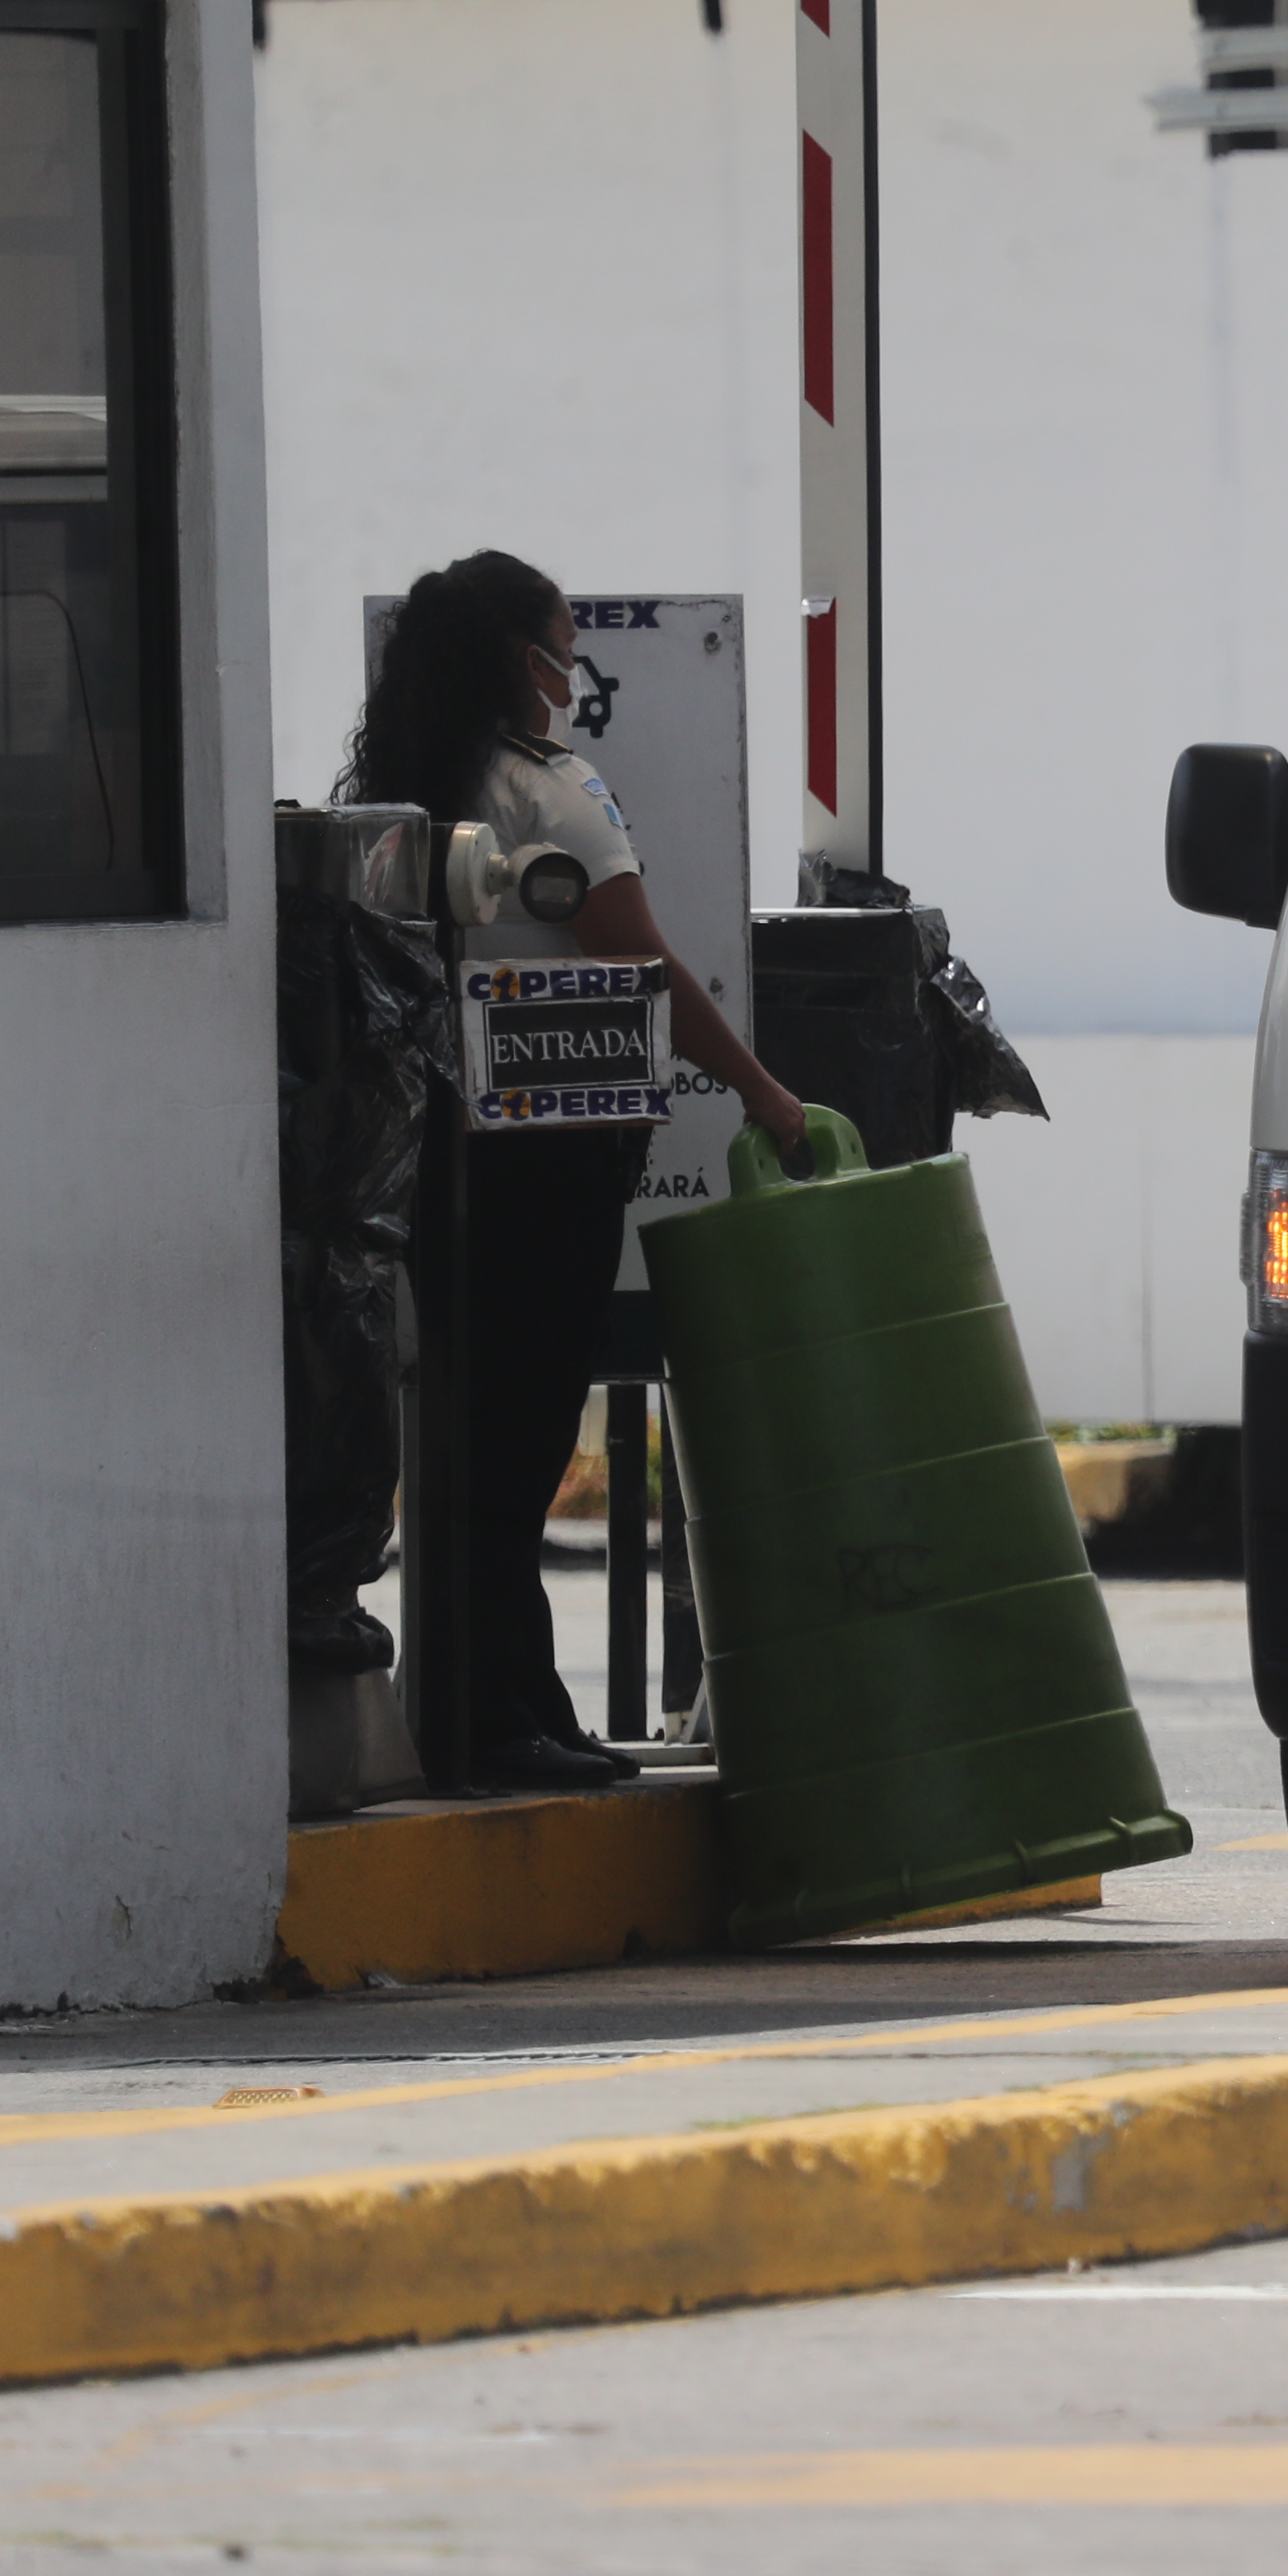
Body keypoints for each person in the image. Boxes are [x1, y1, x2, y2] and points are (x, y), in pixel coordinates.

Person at [342, 549, 810, 1790]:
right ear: (516, 658)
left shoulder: (408, 787)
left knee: (471, 1435)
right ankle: (496, 1717)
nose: (571, 674)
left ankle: (500, 1699)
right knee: (521, 1436)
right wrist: (761, 1090)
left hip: (447, 1155)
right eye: (558, 648)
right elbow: (641, 960)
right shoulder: (551, 794)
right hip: (550, 1161)